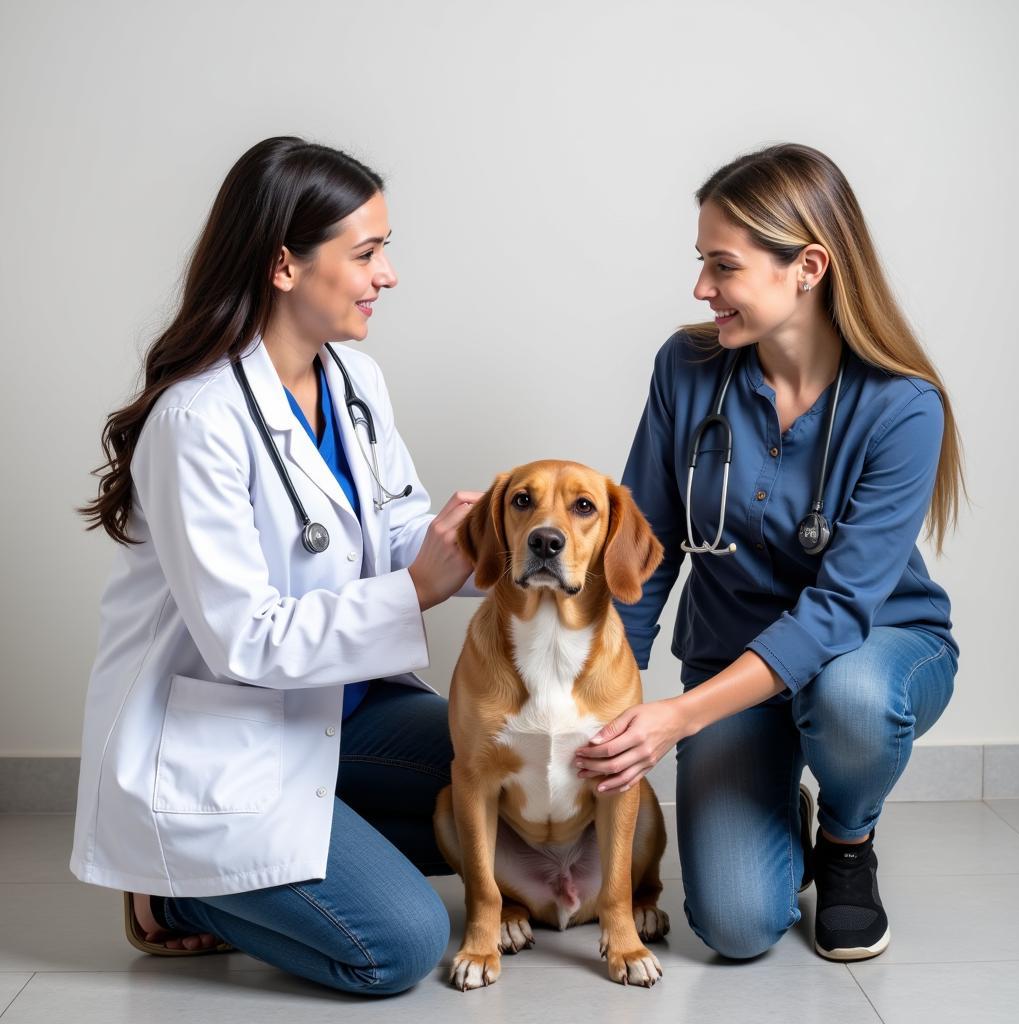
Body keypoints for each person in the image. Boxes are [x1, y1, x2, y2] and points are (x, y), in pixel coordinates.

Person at [72, 136, 482, 996]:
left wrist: (493, 543)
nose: (389, 274)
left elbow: (396, 524)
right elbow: (245, 641)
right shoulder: (197, 422)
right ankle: (176, 896)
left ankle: (316, 844)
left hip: (341, 714)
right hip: (224, 739)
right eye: (366, 253)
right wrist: (416, 589)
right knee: (399, 946)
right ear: (284, 266)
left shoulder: (356, 381)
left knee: (525, 788)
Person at [574, 143, 963, 963]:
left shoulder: (903, 406)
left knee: (849, 700)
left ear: (809, 266)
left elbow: (836, 612)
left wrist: (675, 719)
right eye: (701, 263)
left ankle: (847, 844)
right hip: (729, 669)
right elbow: (641, 547)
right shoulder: (686, 369)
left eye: (723, 266)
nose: (701, 289)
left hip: (874, 648)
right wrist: (607, 689)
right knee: (737, 928)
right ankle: (773, 796)